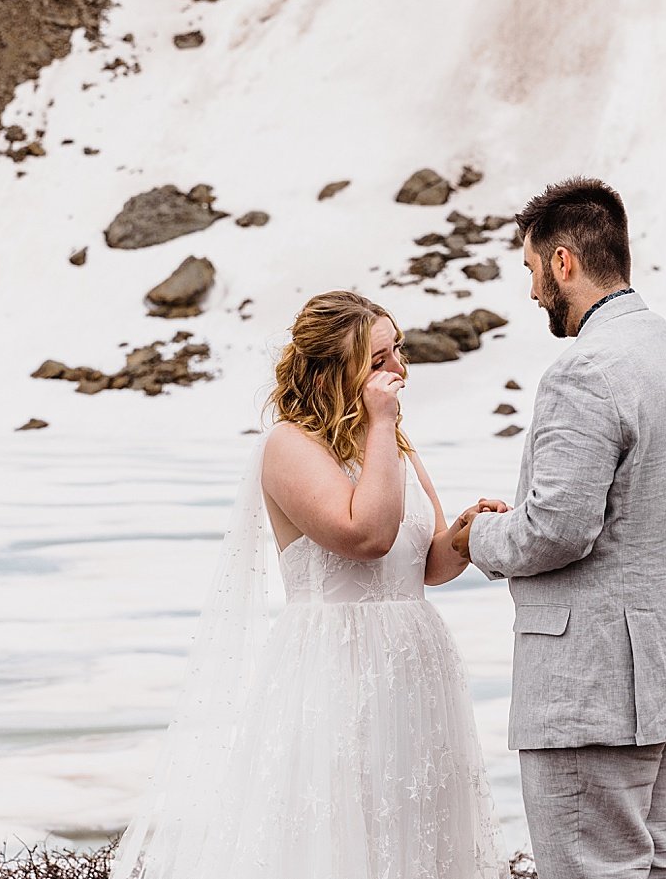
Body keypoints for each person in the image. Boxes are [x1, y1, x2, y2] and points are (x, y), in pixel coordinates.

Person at [110, 290, 508, 879]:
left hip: (416, 667)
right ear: (330, 373)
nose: (399, 370)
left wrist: (465, 536)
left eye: (398, 351)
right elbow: (366, 536)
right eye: (378, 360)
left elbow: (420, 567)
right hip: (335, 671)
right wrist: (380, 422)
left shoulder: (392, 443)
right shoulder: (290, 448)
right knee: (345, 833)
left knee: (418, 829)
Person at [452, 176, 666, 879]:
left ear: (563, 262)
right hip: (661, 670)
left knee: (591, 868)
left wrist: (475, 537)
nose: (533, 288)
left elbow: (558, 532)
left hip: (591, 684)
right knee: (656, 862)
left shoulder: (586, 369)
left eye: (532, 269)